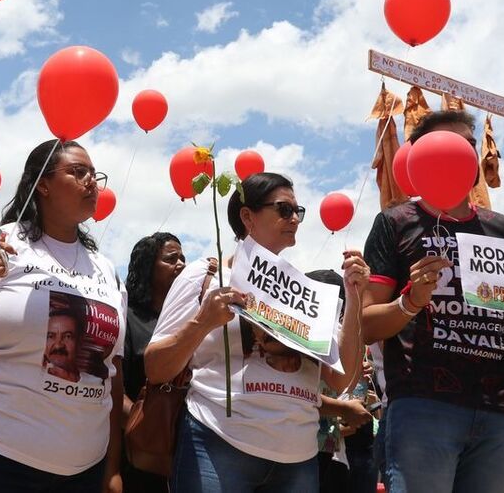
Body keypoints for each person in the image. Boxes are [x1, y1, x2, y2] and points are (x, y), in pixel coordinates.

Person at [360, 110, 504, 493]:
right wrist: (410, 301)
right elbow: (367, 323)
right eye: (448, 144)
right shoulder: (395, 222)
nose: (462, 154)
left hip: (499, 412)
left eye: (468, 145)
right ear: (420, 154)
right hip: (423, 406)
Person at [0, 139, 126, 492]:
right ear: (42, 184)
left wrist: (111, 469)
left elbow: (112, 375)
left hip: (80, 473)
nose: (92, 181)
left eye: (95, 174)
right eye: (78, 172)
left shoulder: (105, 270)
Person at [145, 171, 368, 492]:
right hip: (217, 444)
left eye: (298, 211)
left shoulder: (306, 293)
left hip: (299, 458)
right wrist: (202, 322)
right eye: (284, 209)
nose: (295, 218)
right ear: (247, 216)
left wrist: (356, 295)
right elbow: (156, 368)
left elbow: (342, 379)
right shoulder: (206, 276)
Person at [120, 232, 186, 492]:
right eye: (171, 259)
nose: (180, 264)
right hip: (137, 452)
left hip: (183, 453)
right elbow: (114, 390)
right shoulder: (127, 317)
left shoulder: (188, 321)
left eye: (183, 258)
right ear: (148, 266)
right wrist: (147, 430)